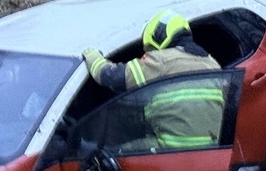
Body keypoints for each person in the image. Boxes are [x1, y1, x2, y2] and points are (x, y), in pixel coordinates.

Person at [82, 9, 223, 149]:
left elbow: (111, 77)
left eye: (151, 48)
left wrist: (93, 57)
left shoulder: (162, 60)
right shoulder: (212, 64)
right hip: (209, 149)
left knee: (117, 153)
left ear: (158, 37)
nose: (150, 53)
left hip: (170, 149)